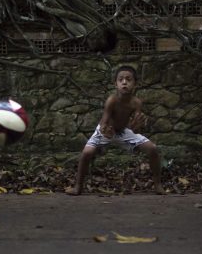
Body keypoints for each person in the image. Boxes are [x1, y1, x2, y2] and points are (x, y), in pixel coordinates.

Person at [70, 65, 164, 195]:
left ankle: (158, 184)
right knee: (86, 153)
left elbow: (135, 128)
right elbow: (104, 121)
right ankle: (78, 186)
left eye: (128, 79)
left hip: (123, 132)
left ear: (135, 84)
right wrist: (105, 131)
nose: (124, 82)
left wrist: (137, 126)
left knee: (152, 149)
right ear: (116, 84)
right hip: (105, 130)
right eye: (121, 79)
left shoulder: (136, 103)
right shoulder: (112, 100)